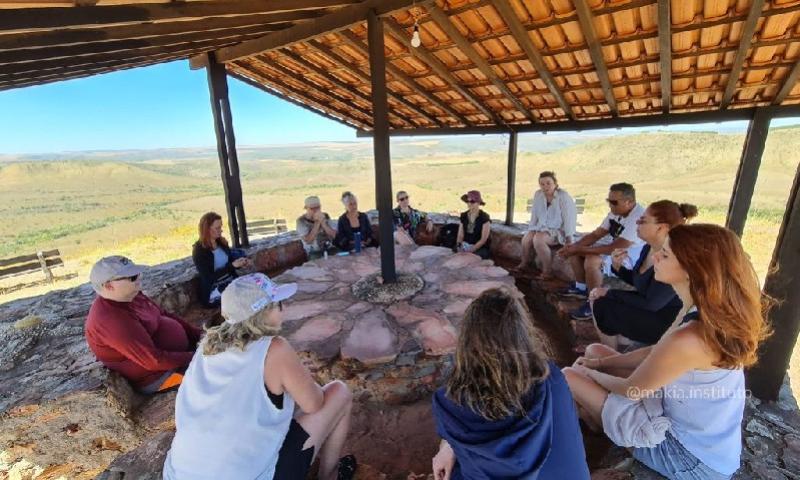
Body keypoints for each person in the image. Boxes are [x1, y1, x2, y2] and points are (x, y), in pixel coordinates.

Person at [563, 224, 769, 480]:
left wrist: (590, 372)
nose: (656, 257)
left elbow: (632, 390)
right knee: (596, 350)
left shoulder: (690, 338)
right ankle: (597, 422)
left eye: (666, 255)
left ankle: (579, 442)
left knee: (569, 376)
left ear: (692, 271)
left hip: (689, 460)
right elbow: (656, 351)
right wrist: (601, 364)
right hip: (708, 446)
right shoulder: (701, 311)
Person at [163, 273, 357, 480]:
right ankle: (331, 475)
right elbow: (314, 404)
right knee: (340, 392)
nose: (285, 308)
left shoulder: (207, 347)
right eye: (278, 304)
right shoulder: (275, 349)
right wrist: (300, 377)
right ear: (262, 313)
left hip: (180, 474)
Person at [431, 287, 590, 480]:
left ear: (467, 340)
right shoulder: (550, 378)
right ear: (522, 334)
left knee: (450, 471)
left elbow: (457, 436)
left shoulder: (449, 400)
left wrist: (447, 447)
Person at [85, 256, 202, 394]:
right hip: (161, 375)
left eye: (138, 273)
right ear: (108, 286)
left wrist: (198, 335)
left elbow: (163, 314)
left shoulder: (131, 295)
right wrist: (195, 356)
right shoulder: (111, 320)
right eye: (132, 277)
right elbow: (153, 361)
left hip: (178, 357)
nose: (139, 278)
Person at [590, 200, 698, 350]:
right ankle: (614, 350)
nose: (637, 222)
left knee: (601, 303)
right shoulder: (648, 248)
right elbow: (640, 283)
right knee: (599, 298)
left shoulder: (674, 258)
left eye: (643, 220)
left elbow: (652, 303)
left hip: (667, 322)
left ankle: (612, 353)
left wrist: (610, 293)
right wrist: (618, 267)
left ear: (662, 227)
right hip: (651, 310)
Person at [557, 183, 645, 320]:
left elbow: (614, 248)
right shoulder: (615, 213)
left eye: (614, 202)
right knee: (575, 252)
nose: (610, 205)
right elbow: (595, 235)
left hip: (630, 258)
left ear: (630, 202)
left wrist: (580, 248)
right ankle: (581, 288)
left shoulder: (637, 218)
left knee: (593, 260)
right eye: (608, 201)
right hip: (617, 253)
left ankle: (594, 304)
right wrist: (573, 248)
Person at [516, 171, 578, 278]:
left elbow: (569, 218)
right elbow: (534, 214)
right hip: (541, 227)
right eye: (542, 184)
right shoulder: (538, 194)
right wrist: (531, 229)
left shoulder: (563, 196)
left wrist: (569, 238)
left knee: (538, 239)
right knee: (526, 238)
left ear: (555, 183)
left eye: (548, 183)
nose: (545, 186)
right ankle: (524, 264)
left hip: (558, 231)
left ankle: (547, 271)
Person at [193, 212, 251, 307]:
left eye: (221, 227)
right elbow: (208, 278)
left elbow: (230, 262)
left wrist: (241, 262)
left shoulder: (221, 242)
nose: (221, 230)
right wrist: (232, 266)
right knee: (243, 298)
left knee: (255, 287)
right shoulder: (199, 251)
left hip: (230, 280)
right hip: (214, 289)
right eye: (217, 228)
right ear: (207, 230)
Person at [456, 190, 491, 259]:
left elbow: (483, 240)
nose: (469, 204)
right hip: (465, 245)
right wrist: (459, 246)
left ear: (478, 203)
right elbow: (460, 235)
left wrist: (470, 250)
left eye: (472, 201)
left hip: (479, 247)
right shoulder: (464, 216)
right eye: (467, 201)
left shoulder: (484, 217)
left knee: (474, 258)